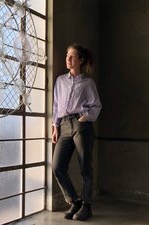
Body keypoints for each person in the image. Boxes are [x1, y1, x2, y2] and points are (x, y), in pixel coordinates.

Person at [52, 43, 102, 221]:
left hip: (81, 125)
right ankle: (75, 201)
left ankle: (87, 206)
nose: (68, 59)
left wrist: (86, 116)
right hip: (64, 125)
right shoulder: (60, 81)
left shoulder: (88, 83)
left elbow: (96, 105)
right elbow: (56, 105)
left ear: (80, 60)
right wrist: (55, 126)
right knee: (57, 166)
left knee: (85, 167)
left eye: (72, 56)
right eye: (67, 56)